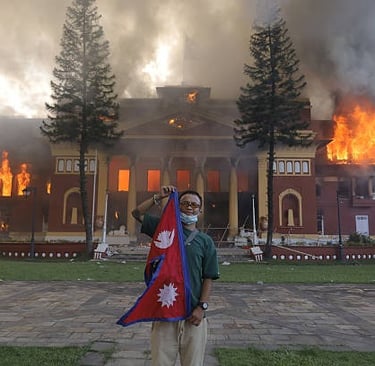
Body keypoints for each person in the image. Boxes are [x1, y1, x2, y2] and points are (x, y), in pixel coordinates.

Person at [132, 185, 220, 366]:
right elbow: (137, 213)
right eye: (185, 203)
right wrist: (159, 196)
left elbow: (208, 277)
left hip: (193, 314)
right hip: (165, 311)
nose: (189, 207)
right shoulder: (164, 229)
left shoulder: (205, 241)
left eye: (194, 205)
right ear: (177, 206)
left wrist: (201, 307)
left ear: (200, 210)